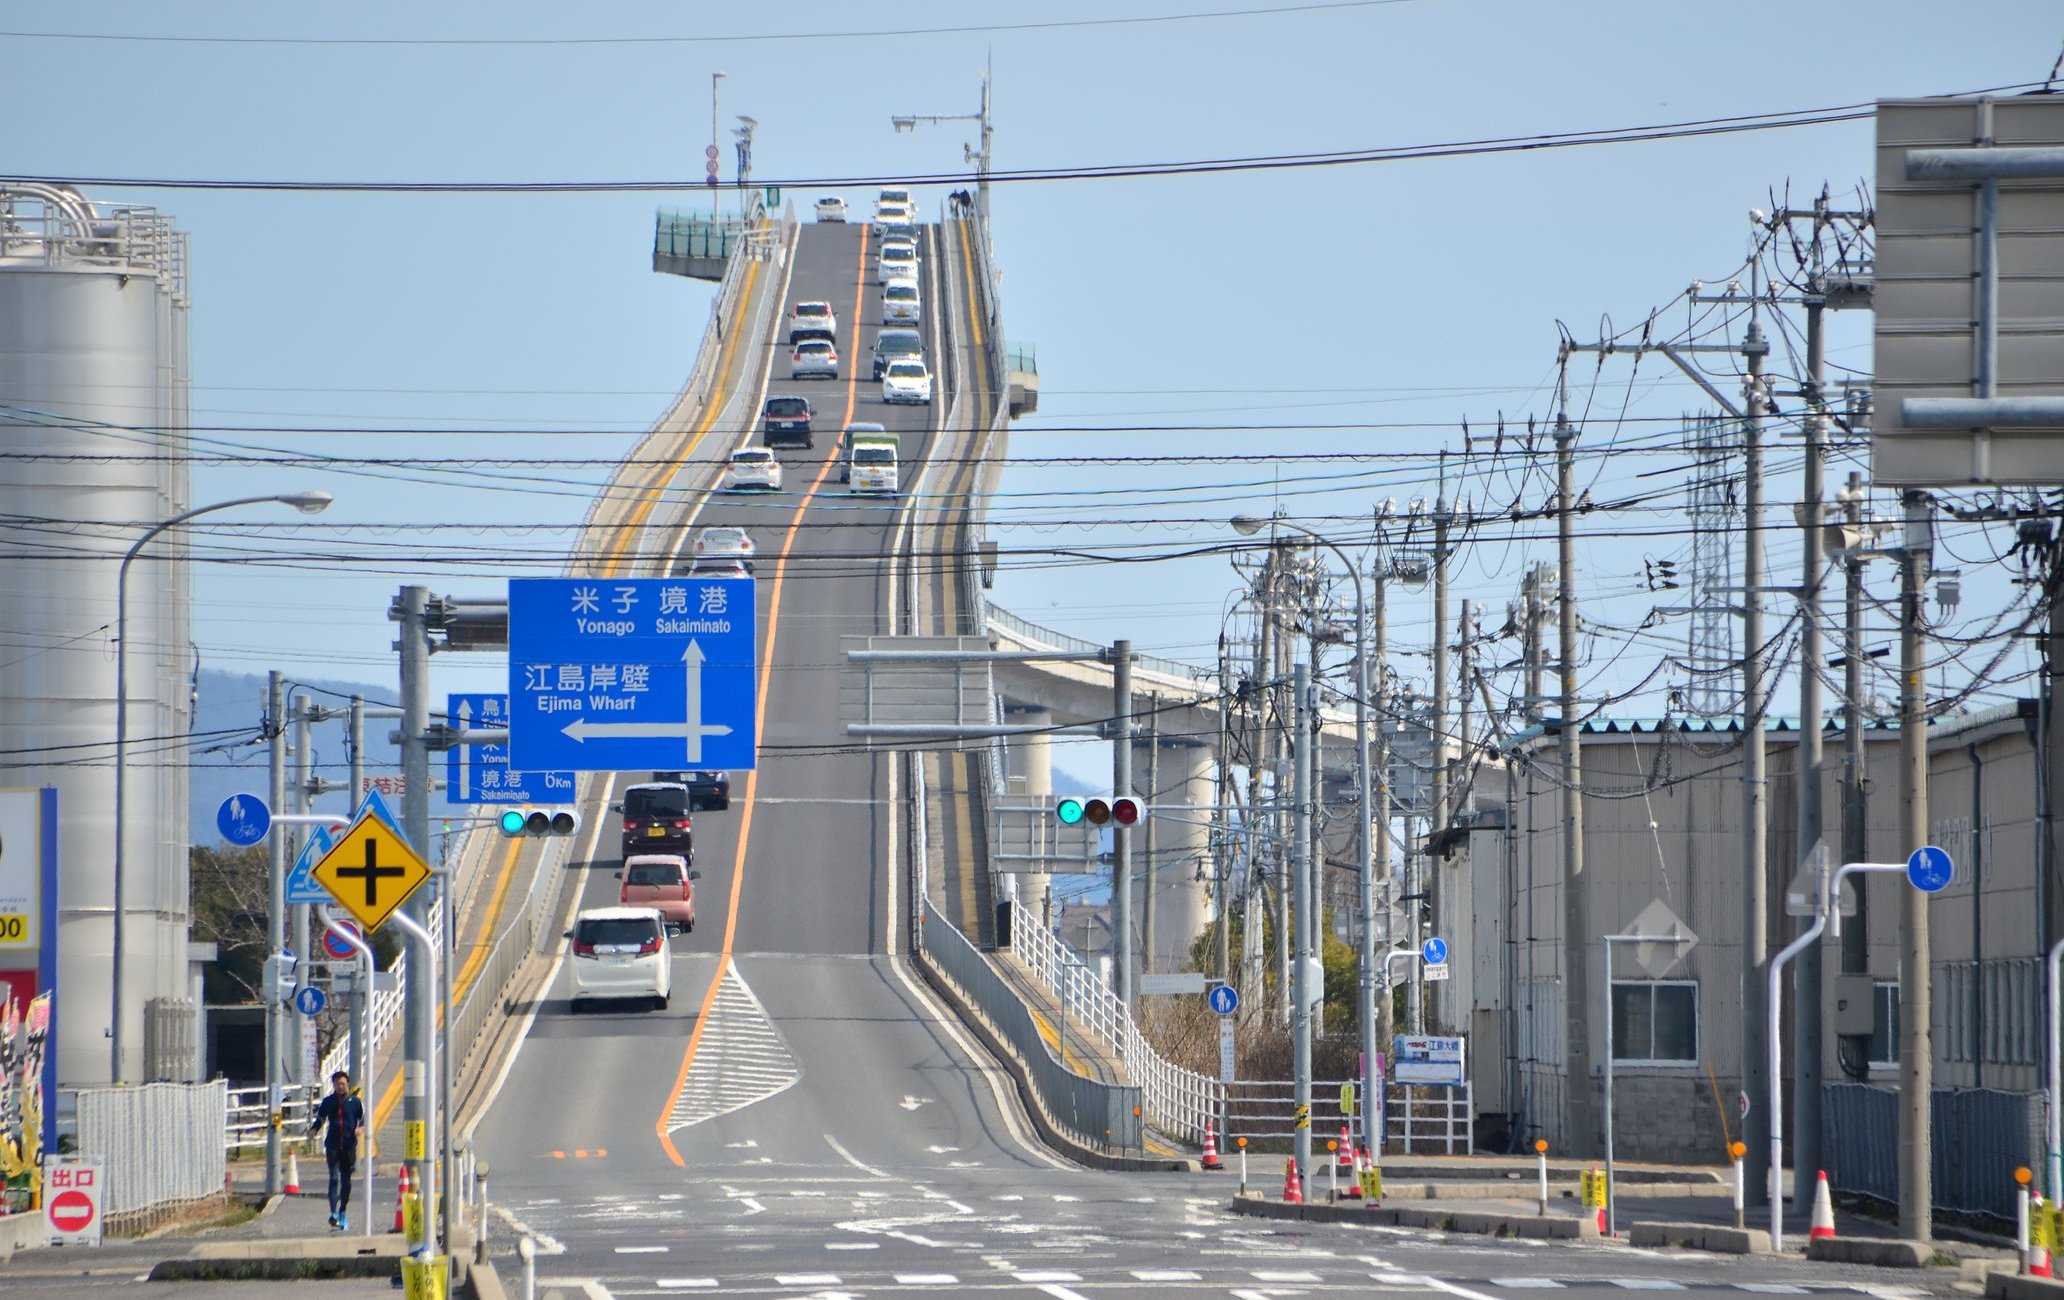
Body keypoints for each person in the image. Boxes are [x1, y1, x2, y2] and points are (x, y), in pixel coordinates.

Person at [308, 1070, 366, 1231]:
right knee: (333, 1178)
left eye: (343, 1084)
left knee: (346, 1181)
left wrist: (361, 1128)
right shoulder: (328, 1101)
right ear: (333, 1085)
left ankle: (342, 1212)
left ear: (347, 1084)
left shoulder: (355, 1102)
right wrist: (314, 1130)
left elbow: (362, 1119)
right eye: (337, 1084)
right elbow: (320, 1118)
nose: (340, 1087)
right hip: (332, 1145)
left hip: (348, 1146)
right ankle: (333, 1212)